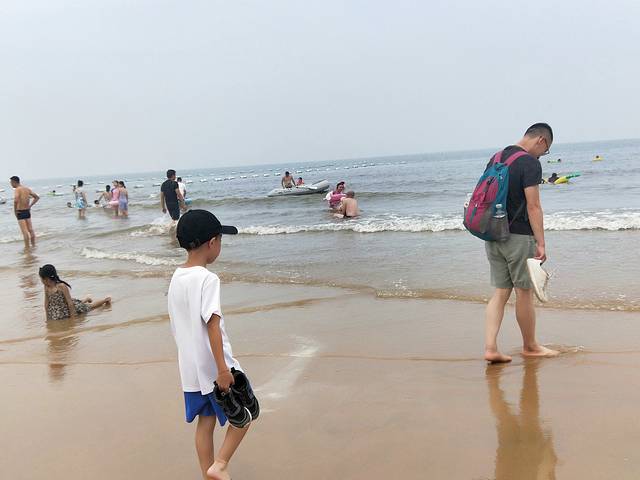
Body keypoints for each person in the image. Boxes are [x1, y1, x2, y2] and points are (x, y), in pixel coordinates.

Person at [168, 210, 257, 480]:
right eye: (220, 240)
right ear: (212, 243)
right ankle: (220, 464)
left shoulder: (177, 277)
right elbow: (212, 325)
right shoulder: (208, 279)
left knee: (205, 423)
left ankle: (208, 475)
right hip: (214, 366)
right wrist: (222, 369)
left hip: (190, 369)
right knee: (247, 413)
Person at [483, 123, 559, 363]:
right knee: (524, 293)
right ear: (541, 141)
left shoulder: (496, 157)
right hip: (518, 237)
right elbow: (533, 206)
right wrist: (541, 243)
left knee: (500, 292)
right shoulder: (529, 163)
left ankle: (490, 348)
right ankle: (530, 346)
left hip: (493, 233)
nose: (542, 155)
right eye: (545, 151)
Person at [39, 264, 111, 321]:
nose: (41, 280)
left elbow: (70, 303)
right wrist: (47, 318)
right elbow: (46, 303)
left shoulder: (61, 286)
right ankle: (86, 299)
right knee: (80, 303)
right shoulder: (46, 287)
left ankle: (105, 300)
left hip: (69, 307)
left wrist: (73, 318)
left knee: (89, 307)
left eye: (41, 278)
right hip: (59, 310)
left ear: (47, 278)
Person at [10, 175, 39, 247]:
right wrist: (30, 206)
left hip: (20, 212)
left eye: (11, 182)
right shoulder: (27, 189)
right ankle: (33, 245)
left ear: (14, 182)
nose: (11, 184)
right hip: (27, 211)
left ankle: (27, 247)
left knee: (25, 231)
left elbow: (16, 200)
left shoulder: (17, 189)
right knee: (31, 230)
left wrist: (15, 211)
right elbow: (36, 197)